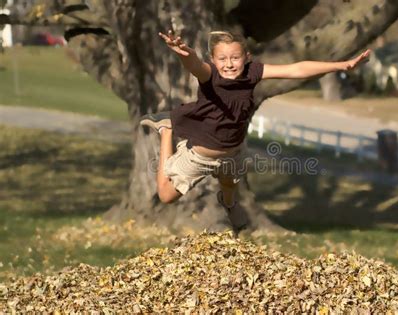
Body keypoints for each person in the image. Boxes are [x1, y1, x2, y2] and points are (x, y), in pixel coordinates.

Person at [140, 30, 370, 227]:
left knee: (229, 183)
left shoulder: (253, 73)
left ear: (246, 57)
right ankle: (166, 129)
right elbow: (195, 66)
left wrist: (342, 65)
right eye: (222, 59)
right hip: (201, 156)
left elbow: (296, 69)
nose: (229, 64)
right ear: (213, 59)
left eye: (235, 58)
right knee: (166, 195)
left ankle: (228, 203)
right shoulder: (210, 76)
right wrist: (186, 54)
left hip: (234, 150)